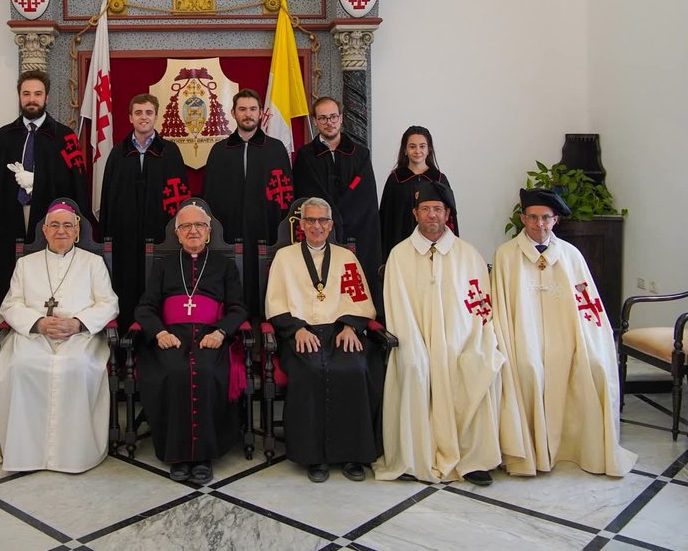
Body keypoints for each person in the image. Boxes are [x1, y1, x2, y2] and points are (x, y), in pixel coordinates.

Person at [374, 180, 521, 486]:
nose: (432, 215)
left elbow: (481, 306)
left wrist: (473, 340)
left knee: (480, 364)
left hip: (461, 340)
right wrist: (415, 344)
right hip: (415, 338)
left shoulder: (468, 255)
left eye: (438, 209)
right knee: (414, 367)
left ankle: (473, 459)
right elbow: (398, 306)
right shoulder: (400, 255)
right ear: (415, 213)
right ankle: (415, 457)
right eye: (426, 209)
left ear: (447, 214)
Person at [491, 188, 637, 477]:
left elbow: (588, 303)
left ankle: (577, 448)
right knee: (527, 369)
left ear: (555, 220)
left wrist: (594, 340)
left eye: (546, 218)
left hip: (567, 336)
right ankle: (531, 452)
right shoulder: (506, 255)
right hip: (523, 337)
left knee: (593, 365)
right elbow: (501, 306)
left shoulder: (571, 255)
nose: (539, 224)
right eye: (533, 217)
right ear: (523, 218)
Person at [0, 198, 119, 473]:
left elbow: (109, 303)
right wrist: (38, 323)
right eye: (55, 225)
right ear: (45, 230)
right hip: (33, 336)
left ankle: (73, 454)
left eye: (68, 226)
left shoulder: (93, 263)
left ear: (77, 231)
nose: (61, 231)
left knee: (76, 366)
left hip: (80, 337)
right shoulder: (26, 264)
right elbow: (10, 305)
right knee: (20, 366)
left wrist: (77, 323)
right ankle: (26, 452)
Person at [265, 197, 382, 482]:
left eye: (322, 221)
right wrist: (296, 330)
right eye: (310, 220)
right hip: (300, 333)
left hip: (339, 331)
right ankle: (313, 456)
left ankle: (353, 454)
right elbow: (275, 301)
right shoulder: (285, 257)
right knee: (310, 371)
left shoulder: (346, 257)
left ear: (330, 225)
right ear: (301, 225)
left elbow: (359, 299)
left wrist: (351, 326)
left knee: (355, 368)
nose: (316, 226)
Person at [135, 199, 246, 484]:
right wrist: (159, 333)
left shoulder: (224, 265)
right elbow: (145, 307)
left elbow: (238, 308)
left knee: (206, 371)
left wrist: (220, 333)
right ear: (177, 233)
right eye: (186, 226)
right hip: (171, 336)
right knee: (175, 371)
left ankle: (203, 455)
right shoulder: (164, 266)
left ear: (209, 231)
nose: (193, 231)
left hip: (211, 335)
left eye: (199, 225)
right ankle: (177, 454)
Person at [0, 70, 89, 312]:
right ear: (19, 96)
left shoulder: (64, 136)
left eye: (38, 94)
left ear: (47, 97)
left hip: (49, 216)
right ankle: (9, 318)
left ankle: (45, 317)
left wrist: (37, 181)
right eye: (26, 94)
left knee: (45, 272)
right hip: (10, 215)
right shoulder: (3, 136)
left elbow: (74, 183)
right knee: (8, 267)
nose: (32, 99)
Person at [100, 93, 189, 326]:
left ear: (156, 116)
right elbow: (108, 198)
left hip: (160, 234)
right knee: (126, 285)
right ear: (130, 117)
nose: (143, 117)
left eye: (149, 112)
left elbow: (179, 197)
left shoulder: (170, 152)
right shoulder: (118, 153)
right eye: (138, 112)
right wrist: (108, 235)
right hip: (125, 236)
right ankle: (128, 333)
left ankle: (160, 335)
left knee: (159, 285)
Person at [202, 89, 293, 317]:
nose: (248, 114)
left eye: (253, 109)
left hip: (266, 230)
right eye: (242, 109)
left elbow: (285, 194)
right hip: (229, 231)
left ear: (261, 113)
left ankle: (264, 324)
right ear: (233, 113)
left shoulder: (275, 148)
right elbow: (210, 196)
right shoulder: (219, 150)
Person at [293, 96, 382, 316]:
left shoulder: (360, 153)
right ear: (315, 121)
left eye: (333, 117)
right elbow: (307, 192)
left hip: (355, 230)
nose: (329, 122)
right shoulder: (305, 156)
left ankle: (356, 321)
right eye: (323, 118)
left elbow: (364, 194)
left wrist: (340, 217)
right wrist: (329, 219)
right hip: (320, 232)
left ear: (341, 118)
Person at [379, 125, 459, 257]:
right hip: (401, 244)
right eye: (412, 146)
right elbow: (386, 218)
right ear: (405, 150)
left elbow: (450, 218)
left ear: (429, 150)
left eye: (422, 146)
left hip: (435, 246)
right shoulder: (396, 180)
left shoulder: (439, 179)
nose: (417, 151)